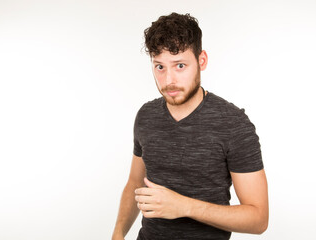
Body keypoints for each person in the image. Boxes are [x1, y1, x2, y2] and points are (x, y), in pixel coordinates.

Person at [112, 12, 268, 240]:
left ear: (201, 61)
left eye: (180, 65)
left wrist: (183, 206)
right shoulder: (146, 116)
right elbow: (135, 183)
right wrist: (117, 235)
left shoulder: (234, 124)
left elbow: (258, 218)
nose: (168, 80)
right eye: (160, 67)